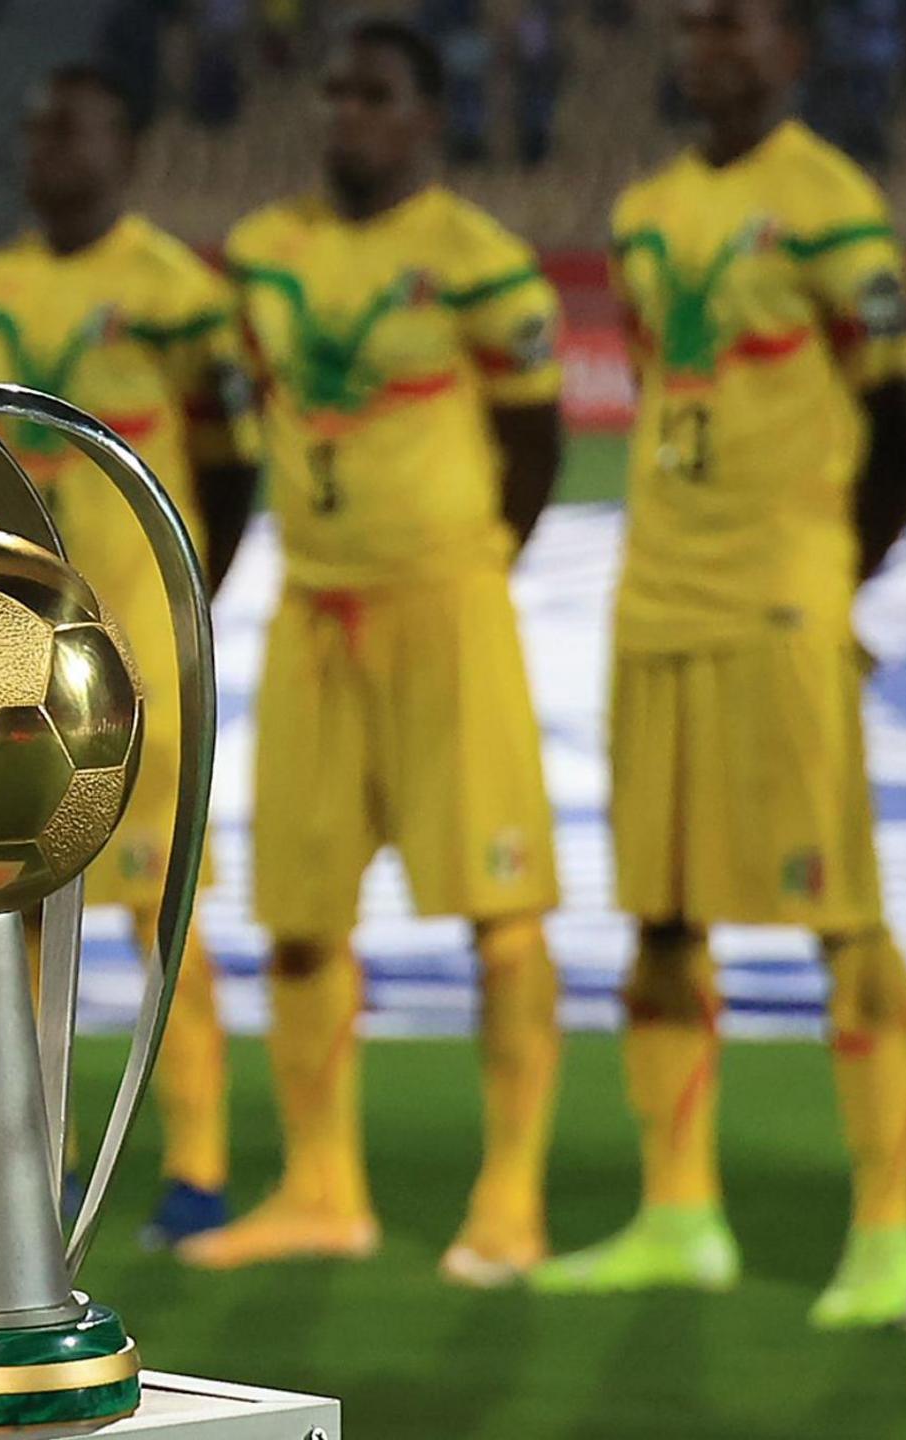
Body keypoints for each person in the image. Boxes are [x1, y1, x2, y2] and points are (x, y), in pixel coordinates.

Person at [528, 0, 906, 1329]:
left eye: (740, 24)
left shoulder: (832, 204)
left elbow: (897, 421)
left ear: (794, 51)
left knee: (840, 914)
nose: (712, 45)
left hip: (777, 604)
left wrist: (831, 579)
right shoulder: (644, 211)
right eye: (695, 23)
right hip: (658, 600)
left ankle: (888, 1236)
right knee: (658, 915)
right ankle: (678, 1211)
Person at [186, 20, 566, 1282]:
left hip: (447, 610)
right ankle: (319, 1190)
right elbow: (238, 429)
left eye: (376, 94)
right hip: (311, 613)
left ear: (423, 118)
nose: (347, 111)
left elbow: (535, 441)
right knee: (298, 920)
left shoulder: (479, 262)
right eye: (335, 88)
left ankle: (509, 1199)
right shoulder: (261, 255)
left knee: (501, 921)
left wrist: (468, 558)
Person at [0, 62, 264, 1247]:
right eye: (36, 135)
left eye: (74, 135)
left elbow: (232, 465)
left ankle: (196, 1168)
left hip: (134, 667)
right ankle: (35, 1162)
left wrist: (177, 601)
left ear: (124, 152)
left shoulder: (177, 290)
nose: (49, 156)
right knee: (18, 911)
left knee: (152, 917)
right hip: (9, 655)